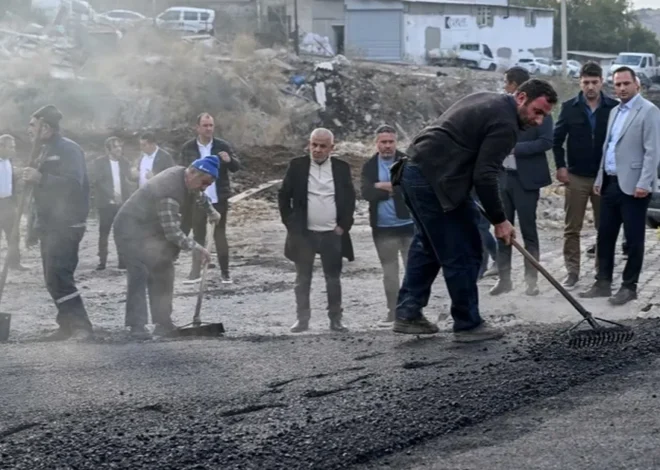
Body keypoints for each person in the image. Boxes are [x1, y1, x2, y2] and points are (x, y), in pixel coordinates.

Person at [391, 79, 558, 342]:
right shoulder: (506, 124)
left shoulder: (489, 99)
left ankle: (408, 312)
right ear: (521, 97)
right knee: (465, 249)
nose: (538, 121)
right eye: (537, 112)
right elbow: (485, 175)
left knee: (427, 245)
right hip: (435, 179)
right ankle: (468, 324)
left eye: (544, 116)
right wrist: (500, 220)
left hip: (415, 171)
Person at [113, 157, 222, 338]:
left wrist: (211, 211)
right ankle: (136, 326)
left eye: (208, 184)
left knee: (164, 270)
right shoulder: (169, 191)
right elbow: (172, 232)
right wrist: (197, 248)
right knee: (140, 272)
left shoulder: (188, 179)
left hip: (152, 231)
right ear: (193, 172)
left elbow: (199, 194)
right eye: (204, 183)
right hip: (130, 229)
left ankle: (163, 322)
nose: (204, 187)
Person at [579, 67, 660, 305]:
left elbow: (652, 151)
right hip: (610, 183)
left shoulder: (649, 111)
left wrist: (644, 183)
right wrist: (600, 179)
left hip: (634, 186)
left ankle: (629, 286)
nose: (622, 88)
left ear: (637, 85)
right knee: (605, 235)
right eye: (618, 84)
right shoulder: (615, 111)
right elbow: (609, 147)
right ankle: (602, 282)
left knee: (634, 239)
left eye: (626, 84)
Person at [23, 105, 94, 341]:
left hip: (67, 223)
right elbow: (38, 195)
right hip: (49, 224)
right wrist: (33, 227)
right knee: (51, 277)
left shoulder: (68, 150)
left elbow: (74, 184)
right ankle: (66, 325)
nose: (29, 130)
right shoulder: (44, 150)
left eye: (32, 125)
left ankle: (81, 326)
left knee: (60, 275)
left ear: (46, 127)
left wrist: (41, 177)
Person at [278, 128, 356, 333]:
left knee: (333, 278)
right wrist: (291, 225)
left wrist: (343, 226)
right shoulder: (297, 166)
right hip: (304, 234)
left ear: (332, 147)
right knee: (303, 279)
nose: (317, 149)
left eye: (322, 146)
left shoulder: (341, 168)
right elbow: (284, 196)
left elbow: (349, 199)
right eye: (314, 144)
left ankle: (335, 319)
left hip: (332, 233)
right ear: (309, 144)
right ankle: (302, 319)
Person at [553, 62, 619, 288]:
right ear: (580, 82)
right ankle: (572, 272)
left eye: (594, 82)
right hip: (577, 176)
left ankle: (603, 273)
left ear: (602, 82)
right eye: (586, 83)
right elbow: (556, 140)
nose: (590, 87)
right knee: (572, 228)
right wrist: (561, 167)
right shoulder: (569, 107)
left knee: (605, 227)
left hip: (605, 177)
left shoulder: (613, 107)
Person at [490, 66, 553, 297]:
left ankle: (531, 281)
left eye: (507, 83)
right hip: (503, 178)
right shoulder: (504, 111)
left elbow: (546, 141)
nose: (505, 87)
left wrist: (515, 149)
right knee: (502, 230)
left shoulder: (541, 110)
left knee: (528, 232)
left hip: (526, 181)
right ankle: (504, 279)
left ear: (517, 86)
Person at [360, 125, 414, 327]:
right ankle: (393, 311)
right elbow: (366, 192)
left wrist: (381, 185)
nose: (387, 146)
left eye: (390, 141)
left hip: (408, 225)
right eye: (383, 142)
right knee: (389, 273)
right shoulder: (369, 166)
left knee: (413, 271)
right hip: (383, 228)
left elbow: (410, 187)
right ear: (377, 143)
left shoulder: (406, 160)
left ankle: (411, 311)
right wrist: (392, 188)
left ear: (395, 142)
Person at [179, 113, 240, 284]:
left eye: (211, 125)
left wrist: (229, 160)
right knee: (198, 234)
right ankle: (195, 273)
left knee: (220, 236)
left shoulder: (222, 145)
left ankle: (225, 273)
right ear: (197, 127)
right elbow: (182, 171)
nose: (208, 129)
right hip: (197, 197)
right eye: (205, 125)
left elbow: (236, 167)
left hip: (218, 197)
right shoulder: (188, 147)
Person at [91, 136, 131, 270]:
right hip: (106, 203)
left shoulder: (124, 162)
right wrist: (112, 194)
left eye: (120, 146)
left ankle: (123, 261)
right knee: (104, 232)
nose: (119, 149)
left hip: (122, 203)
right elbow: (98, 182)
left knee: (121, 232)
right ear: (108, 150)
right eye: (115, 147)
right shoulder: (99, 162)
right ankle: (102, 261)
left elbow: (129, 179)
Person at [0, 135, 27, 271]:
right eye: (11, 147)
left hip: (8, 203)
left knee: (13, 234)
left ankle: (15, 263)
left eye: (14, 147)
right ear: (1, 146)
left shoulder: (9, 161)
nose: (13, 150)